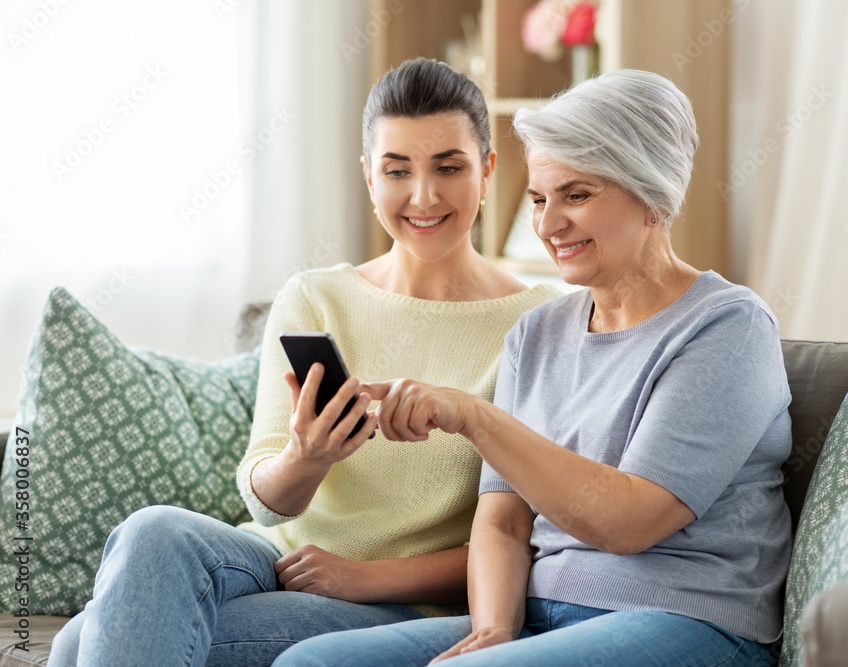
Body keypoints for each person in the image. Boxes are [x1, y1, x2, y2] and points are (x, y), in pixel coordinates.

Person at [48, 57, 559, 667]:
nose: (424, 195)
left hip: (398, 604)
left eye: (449, 167)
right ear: (370, 178)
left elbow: (523, 535)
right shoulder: (315, 297)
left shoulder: (536, 324)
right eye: (398, 171)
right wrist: (306, 458)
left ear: (487, 170)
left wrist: (363, 577)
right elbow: (268, 500)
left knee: (82, 641)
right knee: (151, 530)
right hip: (272, 558)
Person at [272, 69, 792, 667]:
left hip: (687, 619)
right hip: (543, 616)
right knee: (310, 663)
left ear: (652, 193)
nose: (547, 225)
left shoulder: (728, 327)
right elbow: (503, 522)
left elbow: (628, 521)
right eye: (540, 200)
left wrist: (475, 417)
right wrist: (494, 629)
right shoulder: (537, 333)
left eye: (576, 195)